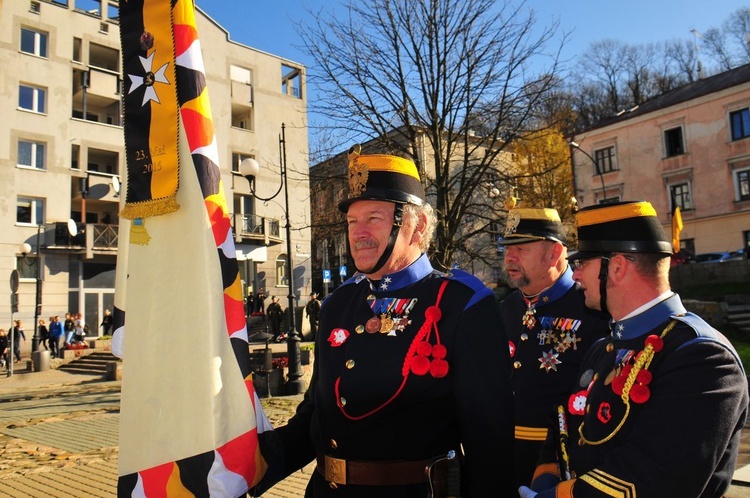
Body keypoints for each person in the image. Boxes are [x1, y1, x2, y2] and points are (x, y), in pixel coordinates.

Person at [254, 146, 515, 496]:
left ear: (417, 225)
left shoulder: (463, 304)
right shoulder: (339, 304)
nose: (358, 232)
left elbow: (490, 446)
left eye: (373, 218)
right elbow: (316, 416)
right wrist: (248, 466)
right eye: (351, 221)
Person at [521, 201, 749, 498]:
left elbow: (656, 477)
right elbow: (565, 427)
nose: (574, 276)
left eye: (583, 264)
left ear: (616, 267)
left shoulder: (702, 357)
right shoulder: (605, 346)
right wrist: (546, 475)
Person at [497, 205, 610, 489]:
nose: (509, 257)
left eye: (521, 248)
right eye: (507, 248)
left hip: (562, 460)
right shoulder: (504, 309)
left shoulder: (592, 308)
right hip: (501, 456)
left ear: (555, 253)